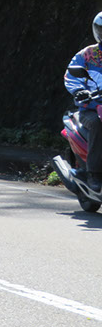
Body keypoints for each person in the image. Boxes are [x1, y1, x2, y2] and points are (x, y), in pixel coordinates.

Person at [65, 12, 102, 192]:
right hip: (92, 108)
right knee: (97, 124)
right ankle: (94, 173)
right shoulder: (87, 54)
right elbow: (71, 76)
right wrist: (80, 91)